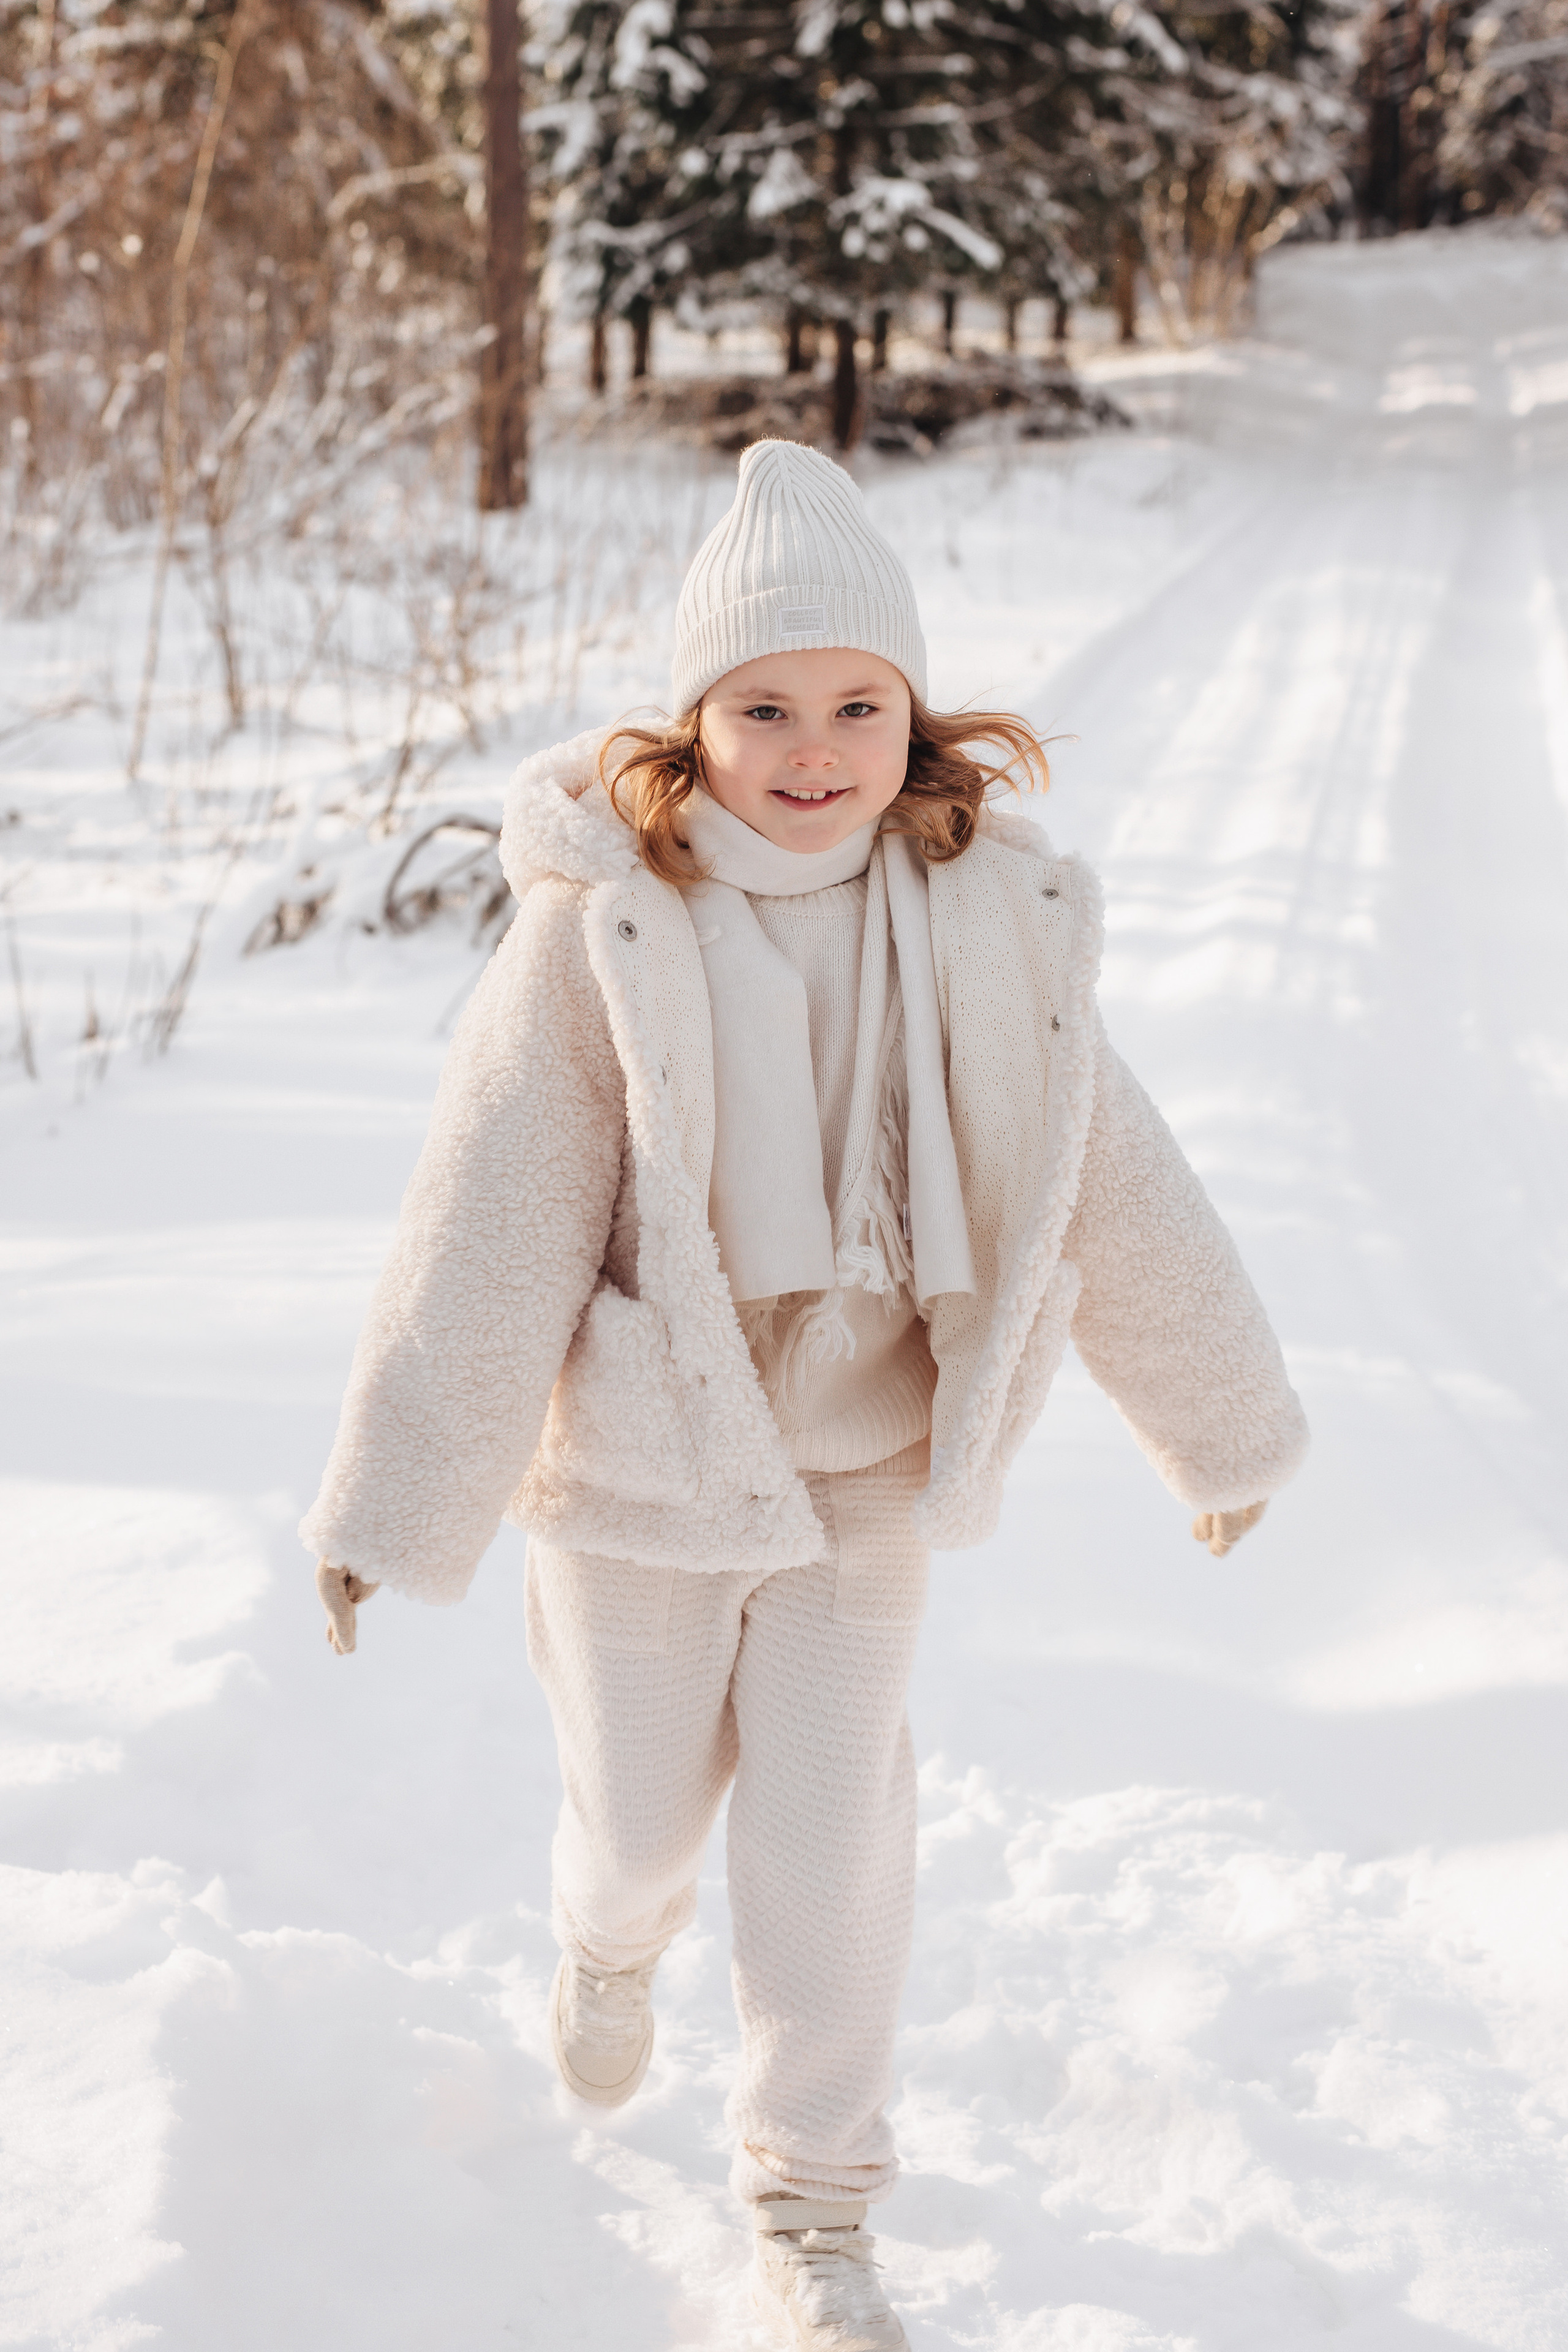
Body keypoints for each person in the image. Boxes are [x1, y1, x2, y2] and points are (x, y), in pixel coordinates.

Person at [303, 440, 1307, 2351]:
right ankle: (608, 1939)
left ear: (914, 714)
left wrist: (1221, 1422)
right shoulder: (608, 924)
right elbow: (492, 1216)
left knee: (833, 1843)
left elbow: (1107, 1174)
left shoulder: (984, 919)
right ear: (692, 723)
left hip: (868, 1464)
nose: (817, 747)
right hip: (644, 1470)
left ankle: (815, 2203)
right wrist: (391, 1504)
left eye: (859, 702)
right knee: (641, 1822)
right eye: (764, 706)